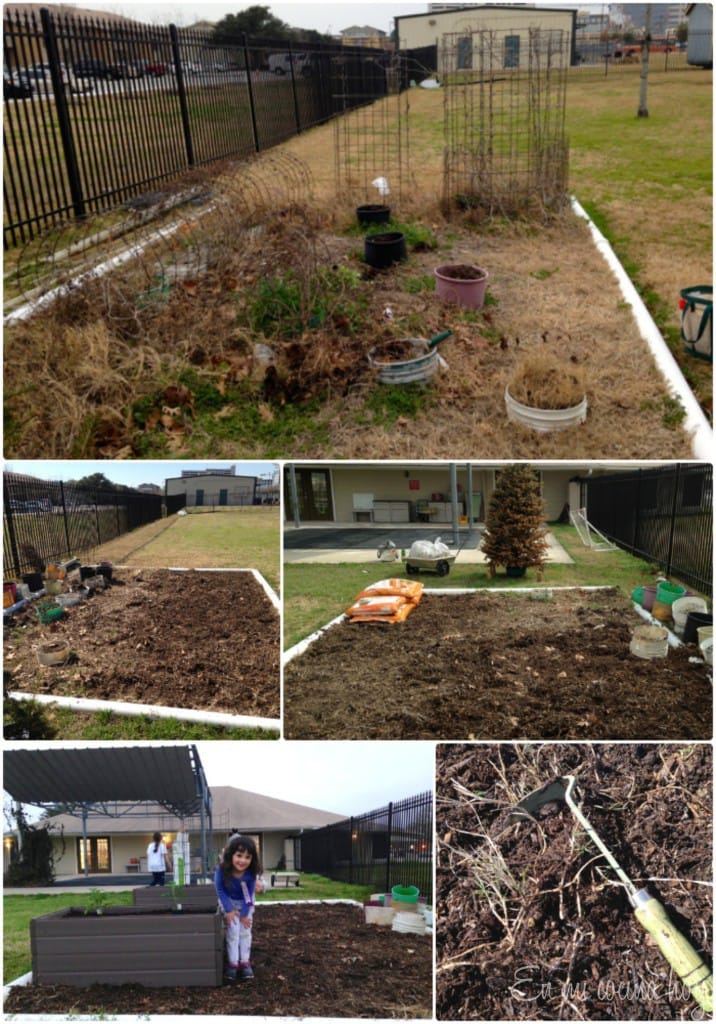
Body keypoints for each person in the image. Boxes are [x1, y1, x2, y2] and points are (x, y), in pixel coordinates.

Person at [214, 834, 264, 982]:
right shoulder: (222, 870)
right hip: (228, 902)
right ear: (231, 855)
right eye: (239, 855)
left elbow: (249, 896)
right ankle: (233, 963)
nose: (243, 861)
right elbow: (220, 890)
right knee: (233, 932)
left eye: (247, 857)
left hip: (245, 904)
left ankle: (245, 962)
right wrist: (229, 911)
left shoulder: (250, 874)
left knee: (245, 932)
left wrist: (244, 914)